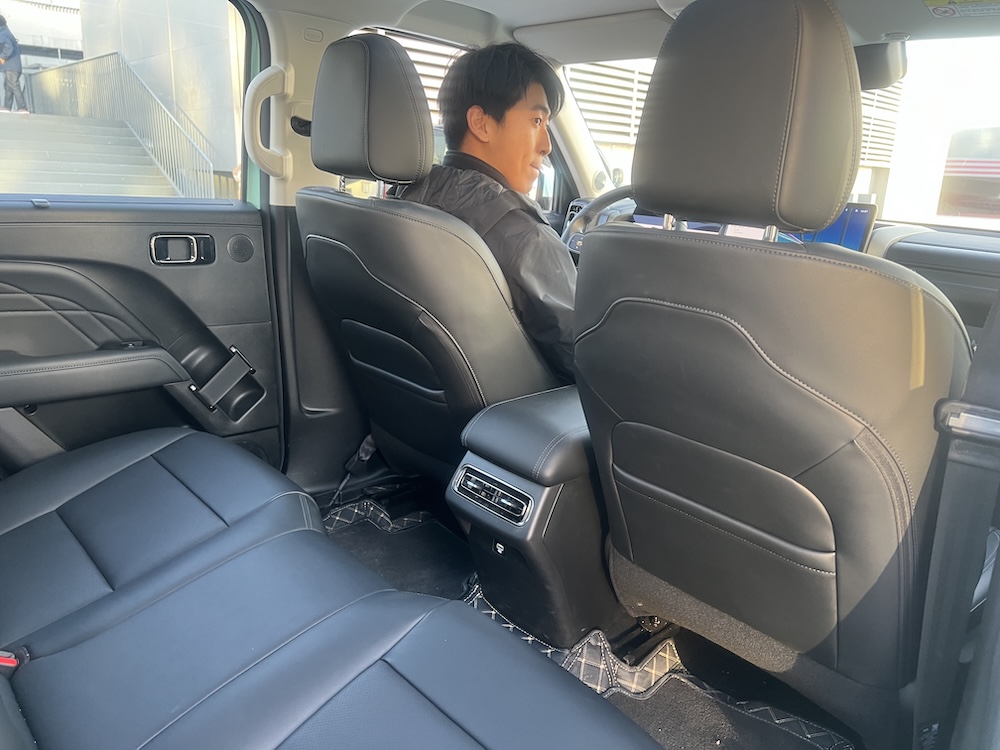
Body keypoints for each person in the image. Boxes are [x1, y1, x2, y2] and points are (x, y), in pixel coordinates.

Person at [401, 43, 576, 382]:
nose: (547, 146)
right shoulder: (523, 236)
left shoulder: (403, 204)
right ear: (481, 123)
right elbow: (586, 355)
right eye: (536, 121)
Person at [0, 16, 28, 113]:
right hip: (12, 66)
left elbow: (8, 47)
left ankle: (22, 107)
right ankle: (7, 107)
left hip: (11, 66)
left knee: (14, 86)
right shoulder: (6, 32)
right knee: (8, 87)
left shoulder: (3, 34)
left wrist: (3, 57)